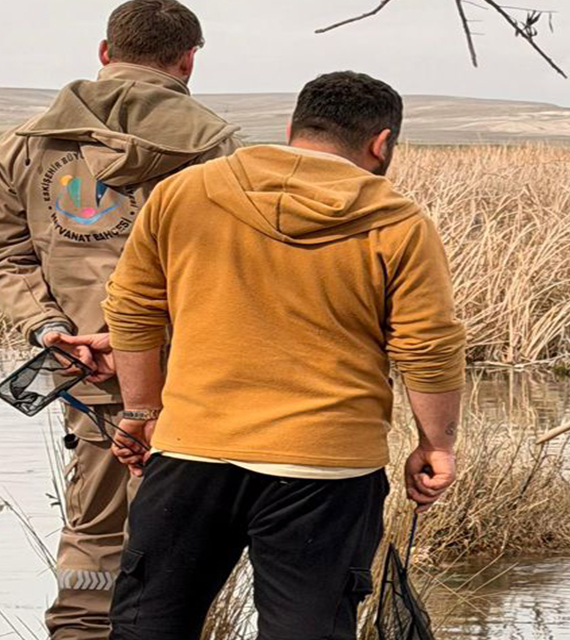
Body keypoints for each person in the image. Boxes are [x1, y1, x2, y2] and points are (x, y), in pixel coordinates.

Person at [100, 71, 466, 640]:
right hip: (327, 465)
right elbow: (428, 347)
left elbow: (132, 310)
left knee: (149, 627)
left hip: (192, 450)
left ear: (292, 128)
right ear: (381, 143)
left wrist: (142, 411)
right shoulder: (400, 222)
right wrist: (436, 444)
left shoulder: (184, 193)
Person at [0, 2, 238, 637]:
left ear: (105, 52)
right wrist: (138, 341)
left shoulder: (26, 143)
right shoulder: (215, 149)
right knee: (178, 544)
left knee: (94, 539)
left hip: (83, 372)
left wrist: (50, 330)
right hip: (190, 381)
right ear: (188, 60)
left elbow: (8, 256)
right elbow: (225, 269)